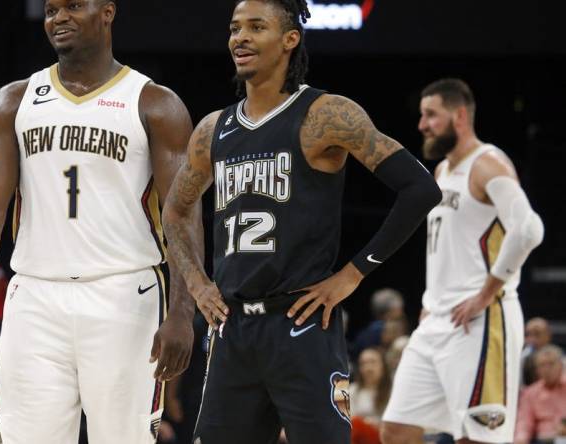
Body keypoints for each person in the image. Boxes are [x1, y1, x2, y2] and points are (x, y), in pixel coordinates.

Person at [162, 1, 441, 442]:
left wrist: (352, 275)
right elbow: (175, 211)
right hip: (232, 329)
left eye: (257, 27)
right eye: (235, 28)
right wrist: (197, 284)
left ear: (290, 39)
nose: (241, 38)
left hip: (302, 325)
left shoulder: (325, 114)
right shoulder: (213, 129)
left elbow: (421, 189)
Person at [0, 0, 198, 442]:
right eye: (50, 10)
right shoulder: (15, 100)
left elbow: (183, 212)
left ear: (107, 11)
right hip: (36, 296)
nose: (58, 18)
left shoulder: (155, 103)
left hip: (125, 294)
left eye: (73, 6)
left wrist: (182, 309)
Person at [381, 78, 545, 444]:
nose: (422, 124)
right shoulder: (441, 171)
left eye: (431, 115)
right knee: (395, 430)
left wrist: (488, 292)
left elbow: (529, 229)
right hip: (436, 322)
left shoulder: (487, 164)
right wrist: (431, 301)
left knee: (476, 439)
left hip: (480, 321)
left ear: (458, 116)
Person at [514, 345, 566, 444]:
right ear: (537, 370)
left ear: (561, 365)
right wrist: (520, 440)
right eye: (542, 365)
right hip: (543, 440)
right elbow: (524, 424)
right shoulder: (529, 393)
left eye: (551, 364)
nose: (547, 369)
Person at [521, 317, 552, 385]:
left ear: (548, 335)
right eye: (528, 334)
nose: (532, 339)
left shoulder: (560, 359)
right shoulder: (521, 360)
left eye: (537, 334)